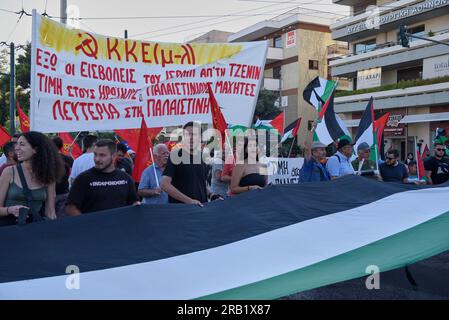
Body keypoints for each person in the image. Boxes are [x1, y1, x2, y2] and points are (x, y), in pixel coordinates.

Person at [0, 131, 64, 226]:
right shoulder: (9, 172)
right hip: (8, 230)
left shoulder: (48, 175)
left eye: (21, 144)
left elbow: (50, 212)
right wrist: (10, 210)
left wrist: (54, 233)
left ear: (36, 149)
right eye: (17, 144)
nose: (16, 148)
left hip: (34, 230)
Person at [66, 139, 140, 215]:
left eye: (102, 155)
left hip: (119, 225)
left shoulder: (126, 178)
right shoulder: (83, 179)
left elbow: (134, 203)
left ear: (114, 156)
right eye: (95, 154)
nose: (97, 159)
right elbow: (71, 208)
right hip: (92, 225)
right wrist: (85, 224)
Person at [161, 122, 222, 206]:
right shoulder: (175, 155)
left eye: (194, 134)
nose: (190, 138)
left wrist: (211, 195)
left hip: (201, 208)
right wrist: (188, 201)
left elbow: (200, 183)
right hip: (182, 210)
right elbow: (164, 184)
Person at [52, 136, 74, 218]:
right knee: (62, 218)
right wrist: (69, 155)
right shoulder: (67, 159)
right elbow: (74, 166)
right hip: (64, 192)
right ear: (61, 146)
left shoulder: (47, 159)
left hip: (50, 193)